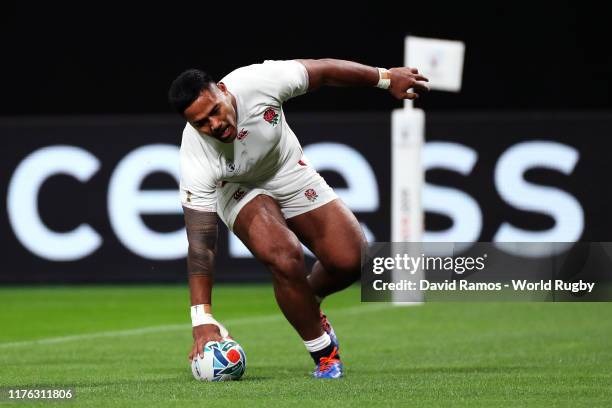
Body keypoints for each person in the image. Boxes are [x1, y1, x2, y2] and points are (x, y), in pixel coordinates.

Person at [168, 58, 429, 379]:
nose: (214, 125)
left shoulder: (258, 82)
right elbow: (201, 245)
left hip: (286, 169)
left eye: (215, 111)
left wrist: (387, 79)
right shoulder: (196, 155)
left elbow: (323, 71)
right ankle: (325, 355)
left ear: (222, 91)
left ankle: (305, 301)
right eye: (201, 123)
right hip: (237, 188)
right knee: (284, 255)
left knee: (351, 260)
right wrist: (202, 319)